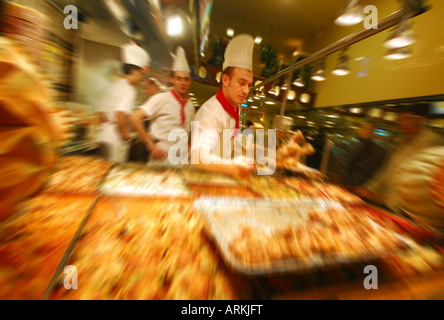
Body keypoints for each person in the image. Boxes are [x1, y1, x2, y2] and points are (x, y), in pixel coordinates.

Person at [355, 103, 444, 213]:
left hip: (409, 210)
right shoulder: (402, 140)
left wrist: (390, 201)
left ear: (421, 119)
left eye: (406, 119)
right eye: (399, 119)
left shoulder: (432, 141)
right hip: (388, 204)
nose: (400, 123)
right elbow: (387, 169)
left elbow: (427, 183)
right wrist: (369, 188)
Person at [192, 34, 256, 180]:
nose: (246, 90)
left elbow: (229, 141)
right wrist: (232, 167)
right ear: (225, 80)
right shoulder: (213, 111)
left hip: (220, 181)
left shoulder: (234, 109)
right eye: (241, 83)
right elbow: (198, 155)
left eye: (249, 85)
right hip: (203, 182)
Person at [130, 46, 195, 161]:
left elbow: (192, 129)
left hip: (182, 157)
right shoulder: (161, 98)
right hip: (162, 154)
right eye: (178, 78)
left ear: (190, 81)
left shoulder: (190, 105)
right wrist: (151, 145)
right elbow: (135, 117)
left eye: (186, 79)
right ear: (172, 80)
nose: (183, 82)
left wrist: (190, 146)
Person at [97, 42, 150, 163]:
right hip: (116, 140)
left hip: (104, 136)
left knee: (103, 169)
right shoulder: (129, 89)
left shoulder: (114, 85)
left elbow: (101, 113)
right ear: (133, 71)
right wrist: (124, 134)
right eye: (141, 73)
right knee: (114, 173)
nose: (141, 77)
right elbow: (120, 113)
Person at [343, 122, 387, 186]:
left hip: (364, 185)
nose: (367, 131)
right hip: (348, 181)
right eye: (365, 129)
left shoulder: (378, 150)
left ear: (373, 132)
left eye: (370, 130)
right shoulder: (353, 144)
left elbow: (376, 171)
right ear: (360, 130)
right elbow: (347, 163)